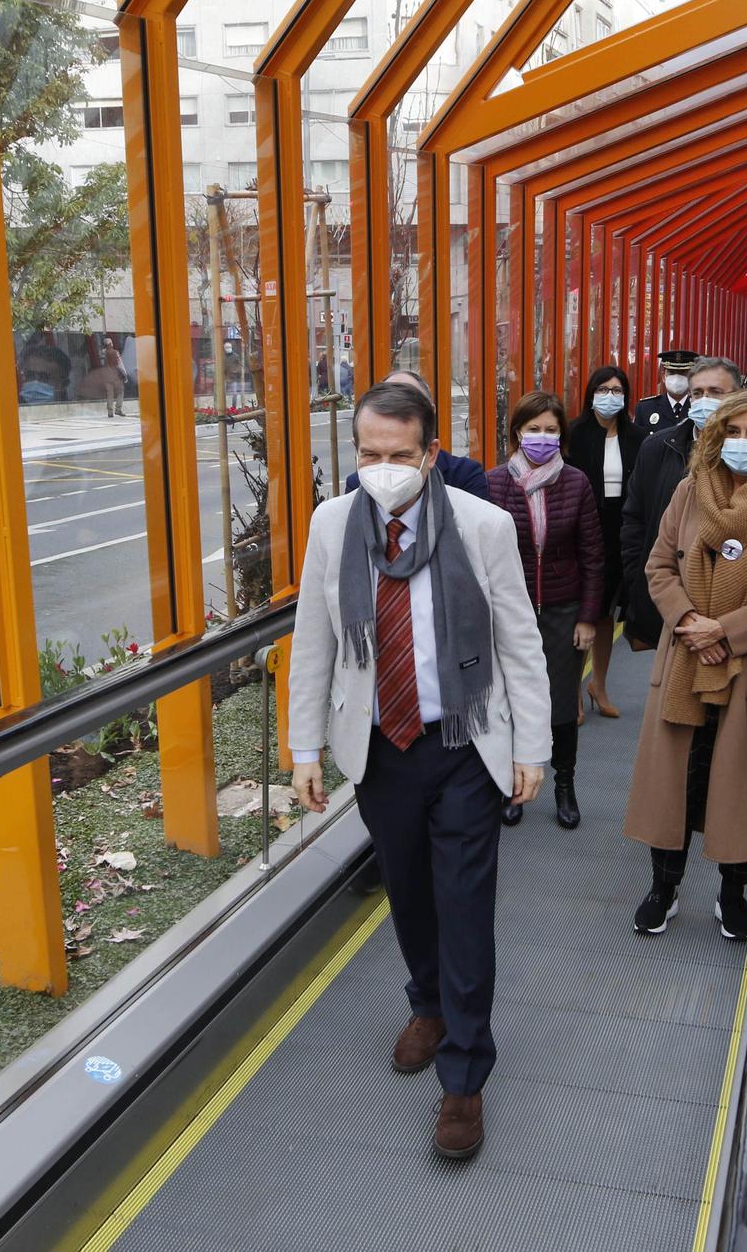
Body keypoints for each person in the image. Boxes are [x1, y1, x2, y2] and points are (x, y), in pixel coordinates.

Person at [287, 381, 550, 1163]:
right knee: (408, 892)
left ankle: (464, 1076)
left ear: (432, 454)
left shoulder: (483, 525)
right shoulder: (333, 524)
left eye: (400, 456)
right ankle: (428, 1002)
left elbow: (520, 641)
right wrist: (305, 748)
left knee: (465, 903)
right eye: (369, 454)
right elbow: (313, 643)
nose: (384, 469)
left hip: (464, 742)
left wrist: (528, 746)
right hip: (380, 747)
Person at [624, 391, 747, 939]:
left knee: (741, 786)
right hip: (687, 656)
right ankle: (664, 888)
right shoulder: (689, 494)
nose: (743, 443)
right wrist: (692, 623)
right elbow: (659, 564)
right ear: (715, 437)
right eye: (733, 431)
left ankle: (733, 893)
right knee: (678, 784)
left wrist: (726, 633)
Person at [486, 391, 604, 829]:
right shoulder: (494, 482)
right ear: (517, 432)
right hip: (509, 612)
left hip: (562, 608)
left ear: (561, 434)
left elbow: (593, 554)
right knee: (509, 700)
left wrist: (588, 617)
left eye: (550, 430)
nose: (541, 437)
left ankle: (564, 784)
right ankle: (511, 786)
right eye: (533, 429)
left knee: (558, 702)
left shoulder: (575, 482)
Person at [620, 358, 741, 650]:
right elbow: (635, 519)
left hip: (728, 602)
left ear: (736, 397)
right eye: (698, 393)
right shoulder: (657, 447)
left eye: (715, 392)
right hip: (668, 594)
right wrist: (640, 577)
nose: (704, 401)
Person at [564, 365, 644, 721]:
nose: (610, 396)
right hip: (581, 531)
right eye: (603, 389)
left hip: (620, 531)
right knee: (582, 611)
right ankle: (573, 694)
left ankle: (600, 684)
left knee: (606, 614)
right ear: (591, 393)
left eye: (617, 390)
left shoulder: (637, 437)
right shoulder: (574, 434)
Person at [345, 369, 491, 499]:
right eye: (371, 454)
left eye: (401, 456)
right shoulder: (356, 484)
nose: (397, 408)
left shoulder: (465, 475)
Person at [635, 350, 698, 434]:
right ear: (664, 376)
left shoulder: (698, 407)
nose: (676, 378)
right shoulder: (645, 408)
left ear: (691, 377)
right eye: (671, 373)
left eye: (683, 373)